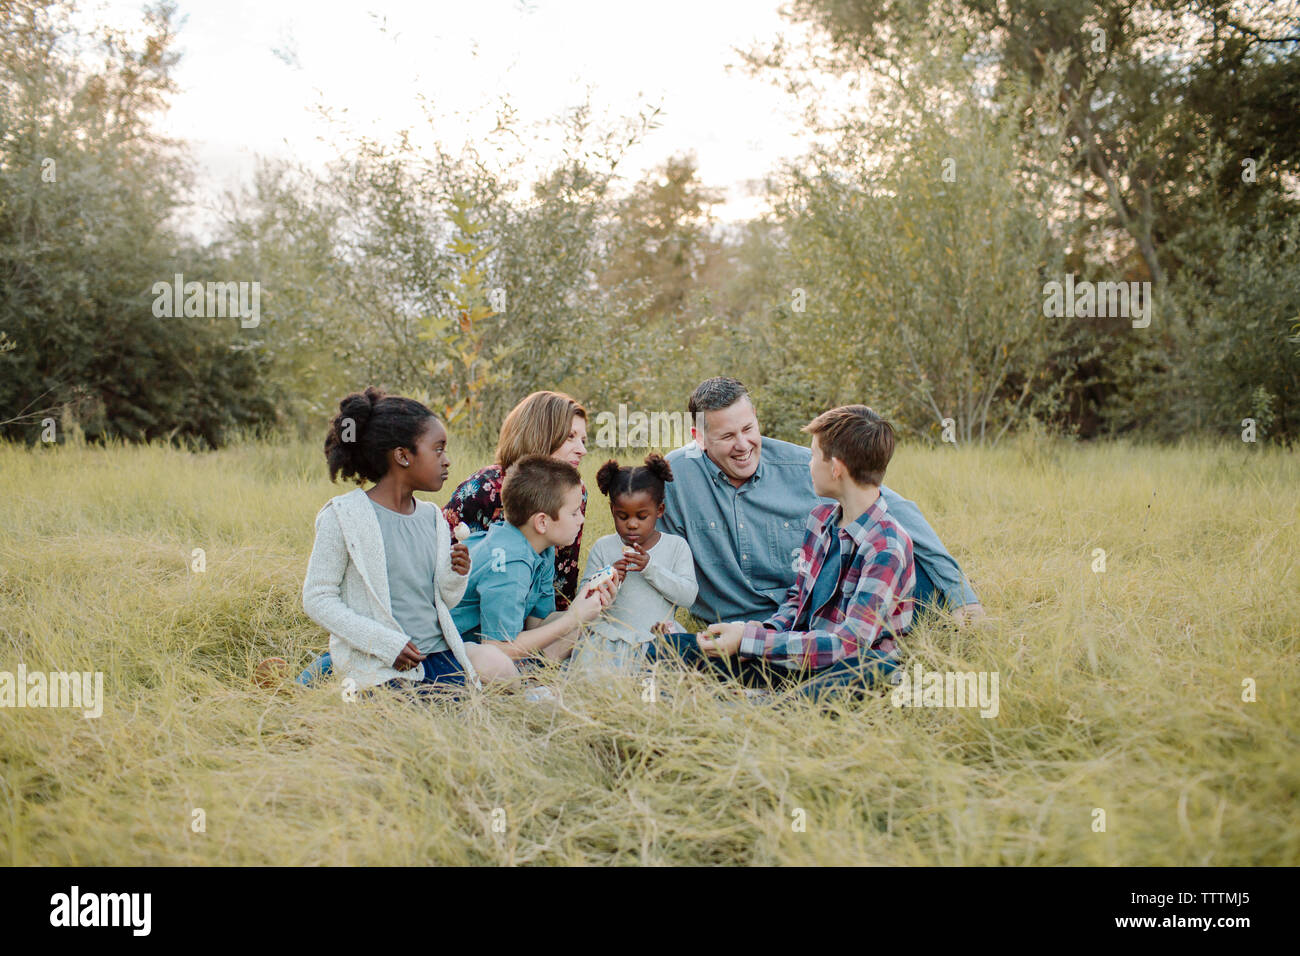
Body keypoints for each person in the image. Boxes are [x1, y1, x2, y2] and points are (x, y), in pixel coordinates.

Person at [658, 377, 983, 627]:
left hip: (810, 613)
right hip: (734, 628)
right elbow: (649, 556)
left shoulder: (807, 467)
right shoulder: (673, 479)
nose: (743, 445)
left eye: (748, 428)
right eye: (727, 436)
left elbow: (894, 509)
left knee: (914, 573)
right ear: (699, 437)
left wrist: (962, 598)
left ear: (756, 417)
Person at [655, 405, 913, 700]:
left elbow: (849, 645)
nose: (808, 464)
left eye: (814, 456)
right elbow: (796, 602)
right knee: (669, 649)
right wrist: (752, 633)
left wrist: (751, 642)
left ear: (836, 468)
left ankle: (762, 706)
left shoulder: (887, 545)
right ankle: (763, 699)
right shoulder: (820, 520)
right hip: (798, 655)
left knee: (872, 670)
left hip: (847, 668)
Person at [298, 387, 515, 694]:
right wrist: (387, 645)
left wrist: (456, 574)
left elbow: (442, 600)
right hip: (380, 667)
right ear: (402, 455)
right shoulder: (343, 516)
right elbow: (318, 598)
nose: (447, 461)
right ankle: (301, 687)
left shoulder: (433, 519)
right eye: (438, 449)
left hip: (439, 660)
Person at [449, 455, 616, 670]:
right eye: (574, 513)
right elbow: (498, 648)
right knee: (500, 667)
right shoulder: (511, 562)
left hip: (492, 646)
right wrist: (573, 618)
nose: (581, 520)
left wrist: (588, 606)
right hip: (450, 652)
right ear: (542, 522)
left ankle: (536, 679)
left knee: (586, 622)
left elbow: (537, 623)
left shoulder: (541, 549)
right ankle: (531, 688)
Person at [443, 391, 589, 611]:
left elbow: (562, 580)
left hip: (534, 619)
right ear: (540, 434)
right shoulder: (485, 487)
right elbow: (443, 560)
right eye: (570, 436)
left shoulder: (575, 493)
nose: (582, 449)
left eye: (583, 440)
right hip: (471, 620)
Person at [569, 455, 697, 674]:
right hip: (610, 642)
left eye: (642, 516)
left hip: (658, 640)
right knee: (603, 693)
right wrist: (607, 579)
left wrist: (650, 568)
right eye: (622, 516)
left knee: (656, 694)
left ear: (660, 510)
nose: (632, 524)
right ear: (612, 511)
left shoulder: (676, 547)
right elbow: (583, 597)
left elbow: (688, 596)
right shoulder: (604, 547)